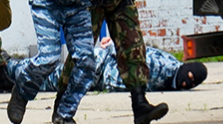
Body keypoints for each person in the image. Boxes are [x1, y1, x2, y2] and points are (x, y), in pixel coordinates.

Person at [5, 0, 116, 124]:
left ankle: (64, 116)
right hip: (47, 2)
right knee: (49, 58)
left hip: (78, 6)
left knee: (87, 62)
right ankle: (22, 89)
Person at [38, 38, 207, 93]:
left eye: (193, 83)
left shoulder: (170, 79)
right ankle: (14, 75)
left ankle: (17, 79)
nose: (187, 83)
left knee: (53, 82)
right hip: (100, 66)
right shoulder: (164, 67)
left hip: (101, 77)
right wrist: (112, 47)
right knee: (56, 79)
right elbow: (134, 54)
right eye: (190, 77)